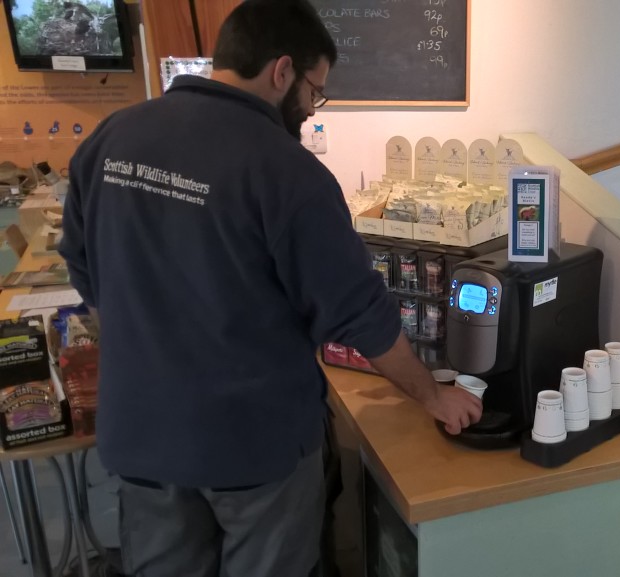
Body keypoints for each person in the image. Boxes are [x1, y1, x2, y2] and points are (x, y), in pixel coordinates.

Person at [58, 1, 482, 576]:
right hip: (252, 447)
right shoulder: (288, 171)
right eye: (315, 90)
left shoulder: (113, 137)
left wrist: (146, 330)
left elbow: (82, 266)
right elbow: (360, 312)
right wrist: (434, 396)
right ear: (282, 71)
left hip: (142, 432)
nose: (311, 108)